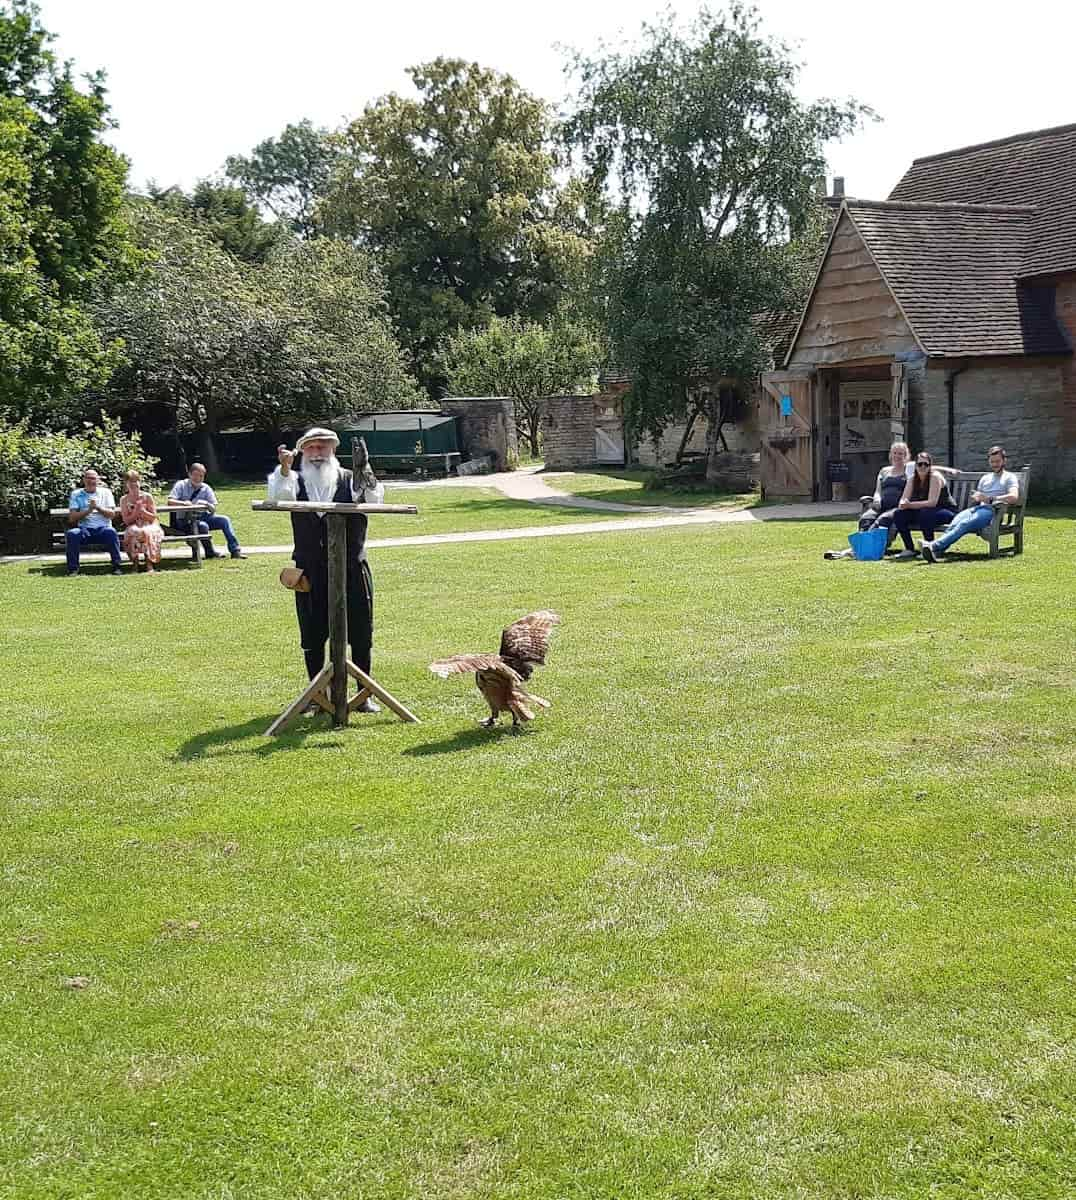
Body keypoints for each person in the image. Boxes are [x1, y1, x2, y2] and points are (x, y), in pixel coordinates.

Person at [267, 427, 385, 713]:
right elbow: (278, 498)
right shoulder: (292, 480)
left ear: (333, 450)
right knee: (312, 634)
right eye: (311, 448)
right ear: (302, 452)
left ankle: (363, 695)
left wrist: (365, 469)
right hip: (310, 571)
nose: (317, 453)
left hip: (352, 567)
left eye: (323, 447)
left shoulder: (350, 478)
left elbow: (374, 500)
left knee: (360, 634)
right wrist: (284, 468)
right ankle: (316, 695)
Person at [920, 445, 1020, 563]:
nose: (995, 464)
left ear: (1004, 460)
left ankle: (933, 546)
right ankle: (936, 552)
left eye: (998, 461)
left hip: (993, 511)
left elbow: (1014, 497)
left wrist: (990, 499)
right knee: (955, 522)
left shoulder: (1009, 477)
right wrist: (976, 498)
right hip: (978, 509)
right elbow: (978, 499)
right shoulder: (985, 478)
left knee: (964, 524)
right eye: (992, 462)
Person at [168, 463, 246, 560]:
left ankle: (235, 551)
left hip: (203, 516)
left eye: (201, 476)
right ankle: (210, 552)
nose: (198, 478)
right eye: (196, 475)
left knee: (224, 520)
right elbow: (170, 501)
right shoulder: (181, 485)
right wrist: (184, 504)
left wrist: (207, 505)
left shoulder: (206, 488)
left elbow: (213, 508)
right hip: (185, 520)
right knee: (202, 526)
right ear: (189, 474)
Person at [890, 451, 956, 560]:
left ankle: (930, 548)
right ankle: (909, 549)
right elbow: (903, 500)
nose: (923, 467)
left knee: (925, 513)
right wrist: (903, 504)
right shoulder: (912, 479)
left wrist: (909, 505)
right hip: (924, 510)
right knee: (898, 514)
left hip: (945, 510)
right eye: (920, 464)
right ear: (915, 466)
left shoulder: (935, 477)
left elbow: (932, 502)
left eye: (926, 464)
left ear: (930, 466)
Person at [66, 469, 123, 576]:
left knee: (111, 532)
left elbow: (112, 515)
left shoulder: (106, 492)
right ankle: (73, 569)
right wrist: (89, 510)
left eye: (93, 478)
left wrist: (97, 507)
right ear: (83, 480)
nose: (90, 481)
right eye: (88, 478)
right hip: (84, 529)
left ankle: (117, 566)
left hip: (103, 529)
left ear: (98, 480)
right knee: (72, 534)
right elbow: (72, 518)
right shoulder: (76, 494)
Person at [119, 469, 165, 573]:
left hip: (150, 524)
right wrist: (135, 512)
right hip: (133, 524)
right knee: (134, 532)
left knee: (147, 532)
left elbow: (154, 517)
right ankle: (135, 564)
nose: (134, 484)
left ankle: (149, 564)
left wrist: (143, 511)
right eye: (131, 481)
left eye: (136, 481)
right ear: (126, 484)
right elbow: (126, 520)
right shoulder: (124, 500)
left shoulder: (147, 497)